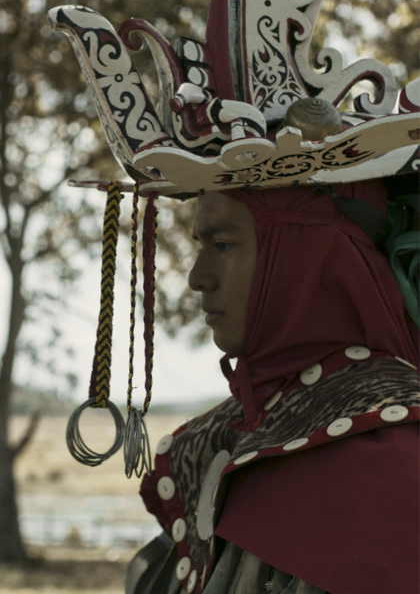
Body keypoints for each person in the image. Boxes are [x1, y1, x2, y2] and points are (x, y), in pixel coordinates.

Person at [129, 179, 419, 594]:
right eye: (201, 246)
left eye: (223, 245)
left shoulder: (397, 457)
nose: (197, 277)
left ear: (306, 257)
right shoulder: (216, 438)